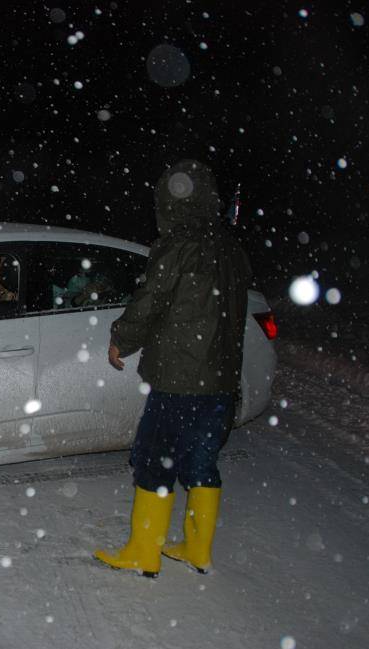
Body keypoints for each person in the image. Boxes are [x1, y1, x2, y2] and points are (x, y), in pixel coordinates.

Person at [93, 159, 253, 578]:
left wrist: (121, 338)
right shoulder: (231, 249)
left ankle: (144, 551)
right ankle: (198, 549)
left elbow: (150, 300)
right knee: (202, 461)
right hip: (219, 380)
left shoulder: (178, 245)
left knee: (154, 459)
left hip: (178, 377)